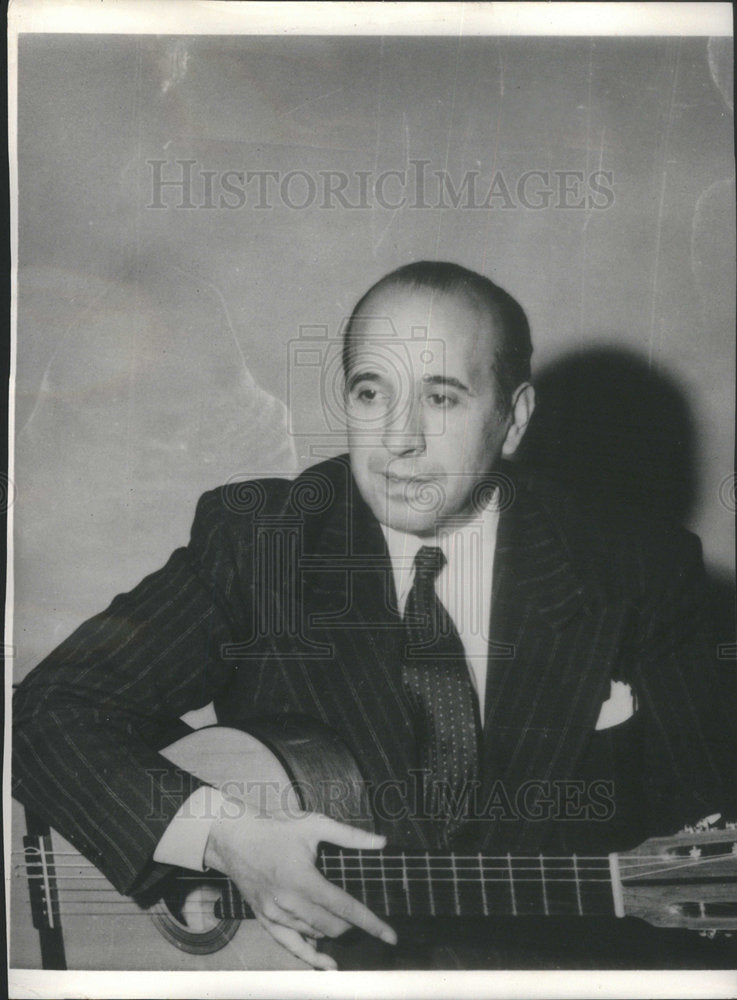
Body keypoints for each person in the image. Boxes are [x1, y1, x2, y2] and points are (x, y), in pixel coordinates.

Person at [12, 261, 737, 970]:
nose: (398, 439)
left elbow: (716, 823)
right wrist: (226, 839)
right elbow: (46, 714)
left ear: (512, 420)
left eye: (442, 398)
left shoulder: (637, 567)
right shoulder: (265, 541)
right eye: (370, 392)